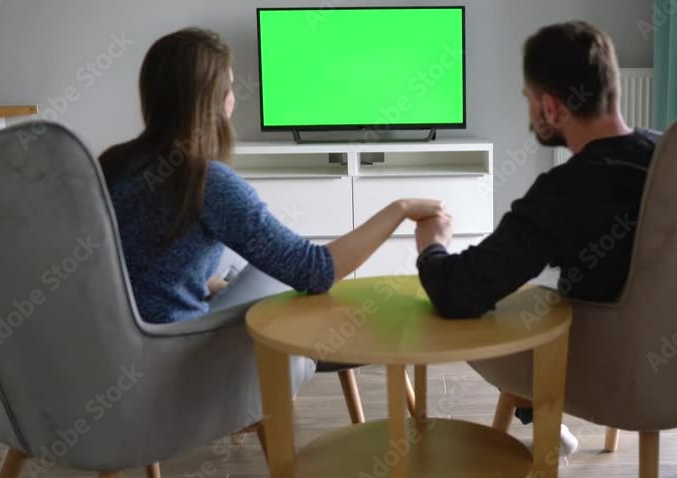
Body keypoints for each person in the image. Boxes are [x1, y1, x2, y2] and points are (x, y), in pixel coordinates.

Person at [414, 21, 661, 456]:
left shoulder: (564, 191)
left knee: (503, 312)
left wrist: (431, 244)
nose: (530, 111)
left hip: (604, 366)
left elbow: (458, 293)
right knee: (534, 297)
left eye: (529, 100)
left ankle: (543, 415)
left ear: (551, 107)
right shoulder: (674, 155)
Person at [101, 28, 443, 327]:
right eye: (230, 88)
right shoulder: (207, 182)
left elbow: (147, 266)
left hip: (113, 347)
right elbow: (316, 271)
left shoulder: (112, 163)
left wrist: (211, 282)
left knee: (241, 268)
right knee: (280, 278)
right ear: (213, 101)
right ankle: (284, 380)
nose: (234, 98)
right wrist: (401, 208)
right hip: (177, 348)